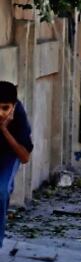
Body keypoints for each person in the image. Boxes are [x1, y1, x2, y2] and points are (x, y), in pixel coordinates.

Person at [0, 81, 32, 248]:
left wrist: (4, 130)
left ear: (13, 106)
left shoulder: (19, 117)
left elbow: (24, 157)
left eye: (5, 108)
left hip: (10, 155)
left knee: (2, 191)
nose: (0, 113)